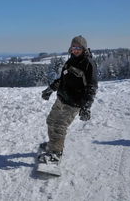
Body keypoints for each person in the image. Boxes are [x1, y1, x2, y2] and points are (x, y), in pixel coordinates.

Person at [40, 35, 98, 164]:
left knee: (60, 126)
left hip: (74, 102)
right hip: (61, 98)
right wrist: (50, 89)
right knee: (51, 121)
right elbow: (63, 79)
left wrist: (86, 107)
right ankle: (52, 144)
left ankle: (55, 154)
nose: (75, 50)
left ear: (83, 48)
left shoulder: (89, 63)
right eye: (73, 47)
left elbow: (92, 87)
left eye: (78, 47)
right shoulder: (70, 61)